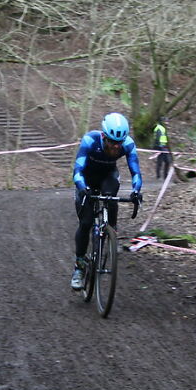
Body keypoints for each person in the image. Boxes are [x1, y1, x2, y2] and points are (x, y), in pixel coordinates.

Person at [70, 112, 143, 290]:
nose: (116, 147)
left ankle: (112, 232)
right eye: (112, 142)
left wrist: (136, 191)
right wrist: (82, 187)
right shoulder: (90, 140)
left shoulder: (128, 144)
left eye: (119, 143)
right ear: (104, 136)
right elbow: (77, 170)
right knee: (86, 222)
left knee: (110, 197)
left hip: (107, 176)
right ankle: (79, 267)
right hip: (86, 179)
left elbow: (136, 172)